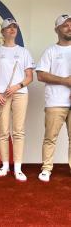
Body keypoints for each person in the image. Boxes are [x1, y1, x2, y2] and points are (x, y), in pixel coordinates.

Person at [0, 18, 34, 182]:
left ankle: (18, 167)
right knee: (3, 131)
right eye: (9, 27)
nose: (12, 29)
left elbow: (29, 77)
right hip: (1, 95)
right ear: (2, 32)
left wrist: (17, 86)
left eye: (14, 27)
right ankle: (5, 165)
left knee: (18, 130)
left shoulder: (24, 52)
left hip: (20, 93)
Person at [36, 14, 71, 182]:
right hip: (56, 102)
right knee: (50, 137)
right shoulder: (50, 51)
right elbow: (41, 75)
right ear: (57, 30)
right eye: (65, 25)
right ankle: (46, 169)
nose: (69, 27)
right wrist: (65, 81)